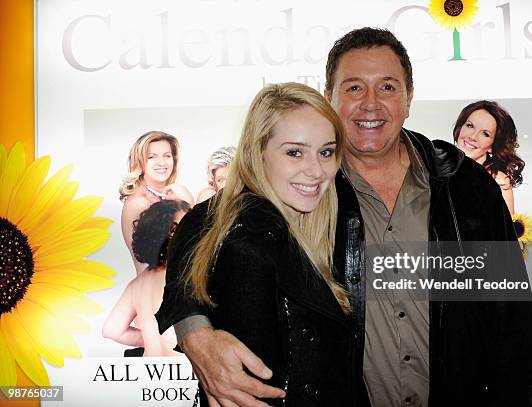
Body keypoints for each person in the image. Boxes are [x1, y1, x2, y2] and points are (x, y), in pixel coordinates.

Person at [158, 28, 532, 407]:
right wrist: (195, 332)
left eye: (388, 87)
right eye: (354, 88)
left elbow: (514, 328)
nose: (370, 104)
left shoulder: (466, 186)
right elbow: (199, 227)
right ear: (330, 98)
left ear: (409, 98)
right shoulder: (306, 182)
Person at [162, 82, 367, 406]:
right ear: (257, 153)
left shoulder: (329, 210)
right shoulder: (249, 241)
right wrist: (195, 333)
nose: (316, 169)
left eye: (326, 151)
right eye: (294, 152)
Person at [103, 199, 190, 356]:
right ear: (169, 233)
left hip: (150, 372)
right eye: (186, 224)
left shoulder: (137, 284)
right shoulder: (187, 274)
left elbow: (111, 329)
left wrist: (151, 338)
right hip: (184, 372)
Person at [119, 131, 194, 274]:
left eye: (167, 156)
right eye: (152, 157)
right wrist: (188, 205)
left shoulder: (166, 196)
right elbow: (169, 256)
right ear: (139, 162)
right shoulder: (139, 203)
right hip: (156, 291)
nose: (162, 163)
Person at [453, 100, 525, 214]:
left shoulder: (498, 181)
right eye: (470, 126)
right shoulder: (438, 169)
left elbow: (507, 231)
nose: (473, 137)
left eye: (485, 134)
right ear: (460, 127)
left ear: (493, 145)